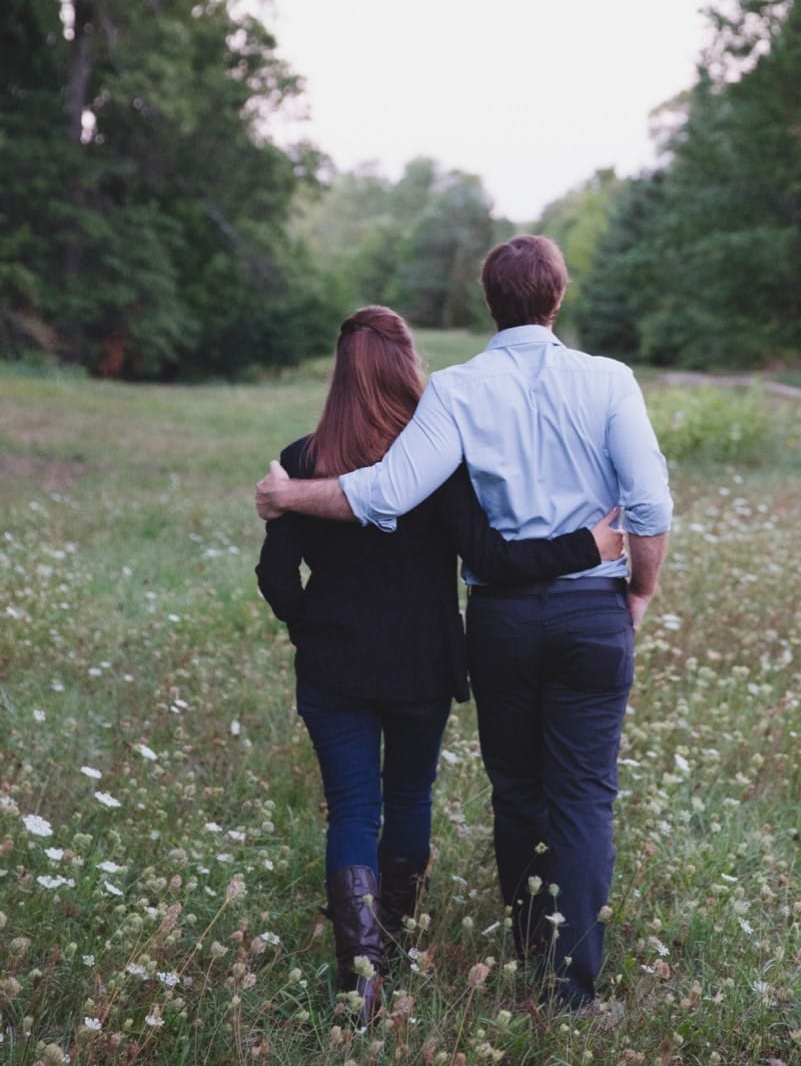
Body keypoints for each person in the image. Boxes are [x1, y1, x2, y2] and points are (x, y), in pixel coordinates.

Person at [256, 239, 672, 1009]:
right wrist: (636, 588)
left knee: (511, 792)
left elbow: (382, 495)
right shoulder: (610, 381)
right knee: (578, 797)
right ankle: (566, 988)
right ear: (560, 293)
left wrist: (291, 504)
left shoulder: (453, 393)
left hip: (495, 624)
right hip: (580, 610)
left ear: (488, 299)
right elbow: (646, 503)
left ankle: (468, 958)